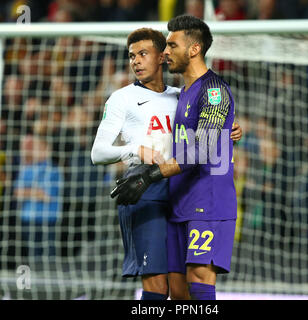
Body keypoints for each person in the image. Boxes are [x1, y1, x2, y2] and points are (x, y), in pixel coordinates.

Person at [91, 27, 242, 300]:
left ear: (162, 57)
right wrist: (135, 150)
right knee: (158, 288)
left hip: (179, 190)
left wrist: (227, 131)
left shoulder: (181, 95)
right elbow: (97, 153)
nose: (135, 60)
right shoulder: (122, 98)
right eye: (131, 55)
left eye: (143, 53)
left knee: (181, 289)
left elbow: (203, 134)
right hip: (144, 189)